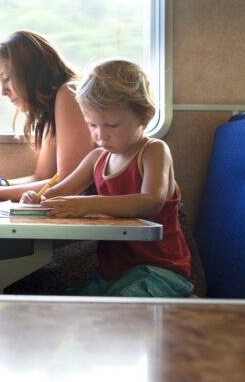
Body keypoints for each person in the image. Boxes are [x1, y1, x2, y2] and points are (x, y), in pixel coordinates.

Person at [22, 60, 192, 297]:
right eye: (92, 125)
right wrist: (37, 199)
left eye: (111, 125)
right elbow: (61, 189)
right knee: (80, 310)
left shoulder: (153, 151)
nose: (100, 135)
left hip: (159, 271)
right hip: (112, 274)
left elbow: (151, 201)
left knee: (115, 314)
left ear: (145, 116)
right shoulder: (97, 158)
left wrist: (87, 203)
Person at [0, 30, 93, 201]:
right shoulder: (51, 108)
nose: (3, 92)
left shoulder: (68, 93)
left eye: (7, 79)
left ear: (31, 71)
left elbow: (67, 186)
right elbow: (41, 177)